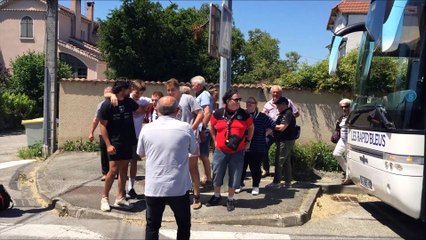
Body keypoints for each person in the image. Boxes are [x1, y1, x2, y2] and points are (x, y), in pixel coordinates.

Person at [137, 96, 197, 240]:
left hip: (154, 186)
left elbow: (140, 153)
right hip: (178, 186)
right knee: (183, 224)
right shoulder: (185, 127)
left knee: (152, 225)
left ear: (156, 110)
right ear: (177, 111)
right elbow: (193, 150)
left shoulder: (147, 129)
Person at [207, 89, 254, 211]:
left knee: (235, 174)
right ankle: (216, 196)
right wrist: (214, 139)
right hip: (220, 150)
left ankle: (230, 199)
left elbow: (251, 128)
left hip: (237, 151)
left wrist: (248, 141)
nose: (239, 101)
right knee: (217, 173)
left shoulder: (244, 114)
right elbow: (211, 125)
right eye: (236, 99)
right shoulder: (218, 113)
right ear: (228, 101)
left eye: (239, 99)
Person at [98, 80, 140, 212]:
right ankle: (104, 198)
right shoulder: (107, 104)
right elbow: (102, 126)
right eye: (129, 89)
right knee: (113, 170)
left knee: (123, 170)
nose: (131, 91)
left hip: (128, 141)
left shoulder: (128, 102)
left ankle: (120, 198)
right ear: (123, 89)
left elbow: (140, 108)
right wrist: (108, 145)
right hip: (115, 142)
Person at [165, 78, 204, 210]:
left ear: (178, 89)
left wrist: (192, 128)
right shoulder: (169, 102)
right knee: (177, 168)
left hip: (189, 138)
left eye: (173, 90)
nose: (170, 92)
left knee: (192, 168)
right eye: (168, 90)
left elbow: (200, 114)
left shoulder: (187, 99)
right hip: (175, 139)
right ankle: (181, 195)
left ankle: (197, 195)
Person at [237, 97, 275, 195]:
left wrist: (265, 134)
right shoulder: (241, 115)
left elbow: (273, 125)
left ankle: (255, 186)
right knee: (241, 167)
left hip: (258, 146)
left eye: (252, 102)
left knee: (255, 168)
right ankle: (239, 184)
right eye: (248, 102)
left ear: (256, 104)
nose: (249, 104)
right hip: (243, 146)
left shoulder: (261, 116)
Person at [262, 85, 300, 177]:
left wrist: (288, 121)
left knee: (283, 155)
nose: (275, 94)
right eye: (274, 92)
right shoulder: (268, 104)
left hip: (284, 132)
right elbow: (263, 116)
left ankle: (283, 176)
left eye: (277, 92)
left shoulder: (287, 102)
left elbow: (296, 113)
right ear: (271, 93)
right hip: (271, 132)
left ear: (281, 93)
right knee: (263, 147)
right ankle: (266, 169)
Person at [266, 96, 298, 189]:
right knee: (286, 161)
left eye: (279, 105)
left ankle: (276, 183)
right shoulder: (284, 113)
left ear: (284, 104)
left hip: (285, 140)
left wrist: (271, 125)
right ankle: (288, 182)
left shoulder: (287, 114)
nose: (277, 107)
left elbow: (282, 127)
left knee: (279, 161)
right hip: (285, 140)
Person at [127, 80, 150, 199]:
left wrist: (145, 107)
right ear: (131, 89)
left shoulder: (144, 101)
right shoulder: (126, 99)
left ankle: (130, 188)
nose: (138, 94)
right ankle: (123, 189)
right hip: (125, 137)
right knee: (123, 164)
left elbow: (156, 101)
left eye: (140, 92)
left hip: (136, 137)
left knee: (134, 162)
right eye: (136, 91)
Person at [191, 75, 213, 188]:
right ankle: (206, 177)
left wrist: (203, 128)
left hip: (203, 129)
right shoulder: (201, 95)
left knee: (203, 154)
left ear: (199, 85)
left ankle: (208, 178)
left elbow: (207, 112)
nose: (192, 86)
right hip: (201, 129)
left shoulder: (204, 95)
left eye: (193, 84)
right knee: (201, 154)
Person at [88, 86, 112, 181]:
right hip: (104, 133)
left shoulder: (117, 103)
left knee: (117, 153)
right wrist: (91, 132)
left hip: (116, 133)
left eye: (108, 93)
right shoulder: (101, 105)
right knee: (104, 154)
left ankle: (117, 172)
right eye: (105, 93)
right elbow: (96, 119)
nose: (107, 95)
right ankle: (105, 173)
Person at [333, 98, 353, 185]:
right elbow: (338, 127)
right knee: (336, 154)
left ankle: (349, 178)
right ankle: (348, 172)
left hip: (350, 140)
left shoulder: (353, 116)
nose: (344, 108)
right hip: (342, 139)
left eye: (346, 106)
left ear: (350, 106)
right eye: (342, 107)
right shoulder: (342, 116)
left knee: (349, 158)